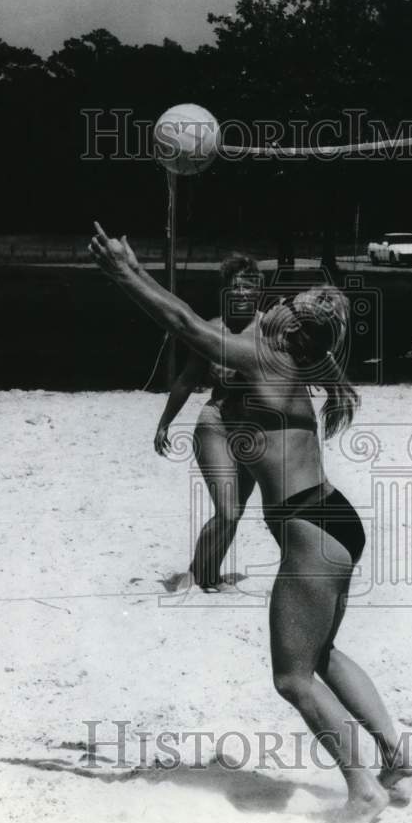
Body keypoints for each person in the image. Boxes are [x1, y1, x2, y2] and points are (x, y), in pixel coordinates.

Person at [89, 222, 412, 823]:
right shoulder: (291, 359)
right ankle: (393, 754)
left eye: (282, 305)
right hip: (334, 520)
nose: (270, 306)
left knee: (291, 678)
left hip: (312, 534)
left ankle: (363, 786)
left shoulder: (266, 356)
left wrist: (124, 272)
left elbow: (184, 323)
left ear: (286, 325)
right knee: (322, 653)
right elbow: (193, 330)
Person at [154, 254, 263, 592]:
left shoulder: (270, 328)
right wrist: (164, 424)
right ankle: (194, 572)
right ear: (226, 292)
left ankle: (210, 575)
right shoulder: (212, 330)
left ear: (258, 291)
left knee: (237, 511)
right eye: (235, 287)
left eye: (249, 286)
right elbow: (187, 379)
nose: (242, 293)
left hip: (255, 430)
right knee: (228, 510)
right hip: (215, 422)